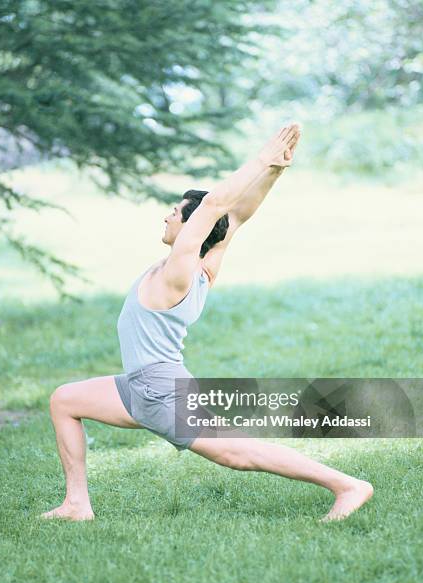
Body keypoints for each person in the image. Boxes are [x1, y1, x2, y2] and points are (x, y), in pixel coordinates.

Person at [41, 123, 373, 522]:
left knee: (240, 454)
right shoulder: (203, 267)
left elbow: (216, 207)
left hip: (163, 392)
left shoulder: (180, 270)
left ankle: (347, 485)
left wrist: (262, 158)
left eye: (175, 212)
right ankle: (76, 504)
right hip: (139, 388)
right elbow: (237, 217)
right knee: (65, 399)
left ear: (190, 227)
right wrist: (274, 172)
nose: (167, 215)